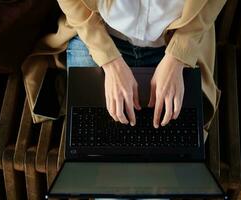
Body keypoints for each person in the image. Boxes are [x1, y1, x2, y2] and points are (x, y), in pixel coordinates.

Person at [57, 0, 226, 138]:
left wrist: (177, 56)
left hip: (175, 38)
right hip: (97, 33)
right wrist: (110, 61)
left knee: (173, 149)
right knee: (90, 144)